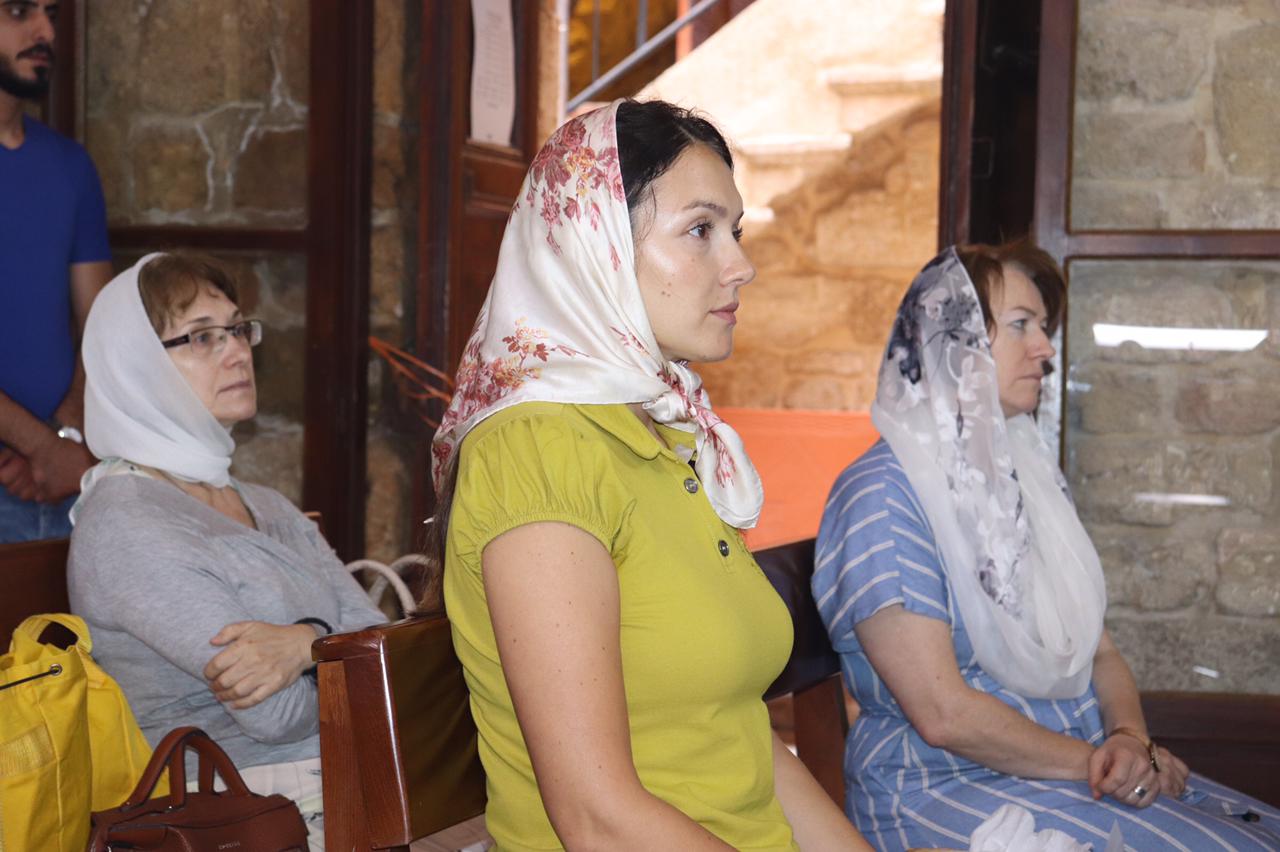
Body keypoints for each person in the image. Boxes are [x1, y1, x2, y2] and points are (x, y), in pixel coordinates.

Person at [430, 99, 871, 851]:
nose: (741, 265)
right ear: (593, 246)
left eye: (735, 231)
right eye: (700, 230)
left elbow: (738, 735)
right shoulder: (536, 452)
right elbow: (595, 817)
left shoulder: (661, 436)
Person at [814, 242, 1280, 851]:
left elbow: (1100, 654)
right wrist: (1105, 763)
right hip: (951, 790)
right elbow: (943, 714)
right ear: (949, 341)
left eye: (1042, 327)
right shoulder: (883, 495)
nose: (1045, 349)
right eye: (1020, 326)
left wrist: (1130, 740)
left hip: (1072, 771)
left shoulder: (1021, 483)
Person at [67, 252, 385, 851]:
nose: (237, 351)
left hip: (340, 781)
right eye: (201, 336)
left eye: (237, 329)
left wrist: (304, 643)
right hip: (239, 813)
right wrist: (339, 652)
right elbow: (274, 714)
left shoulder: (263, 502)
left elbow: (384, 645)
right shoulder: (126, 522)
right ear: (136, 367)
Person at [0, 0, 112, 542]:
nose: (45, 30)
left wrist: (66, 437)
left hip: (62, 481)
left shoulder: (70, 165)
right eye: (18, 10)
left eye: (51, 13)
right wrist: (42, 446)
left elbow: (100, 319)